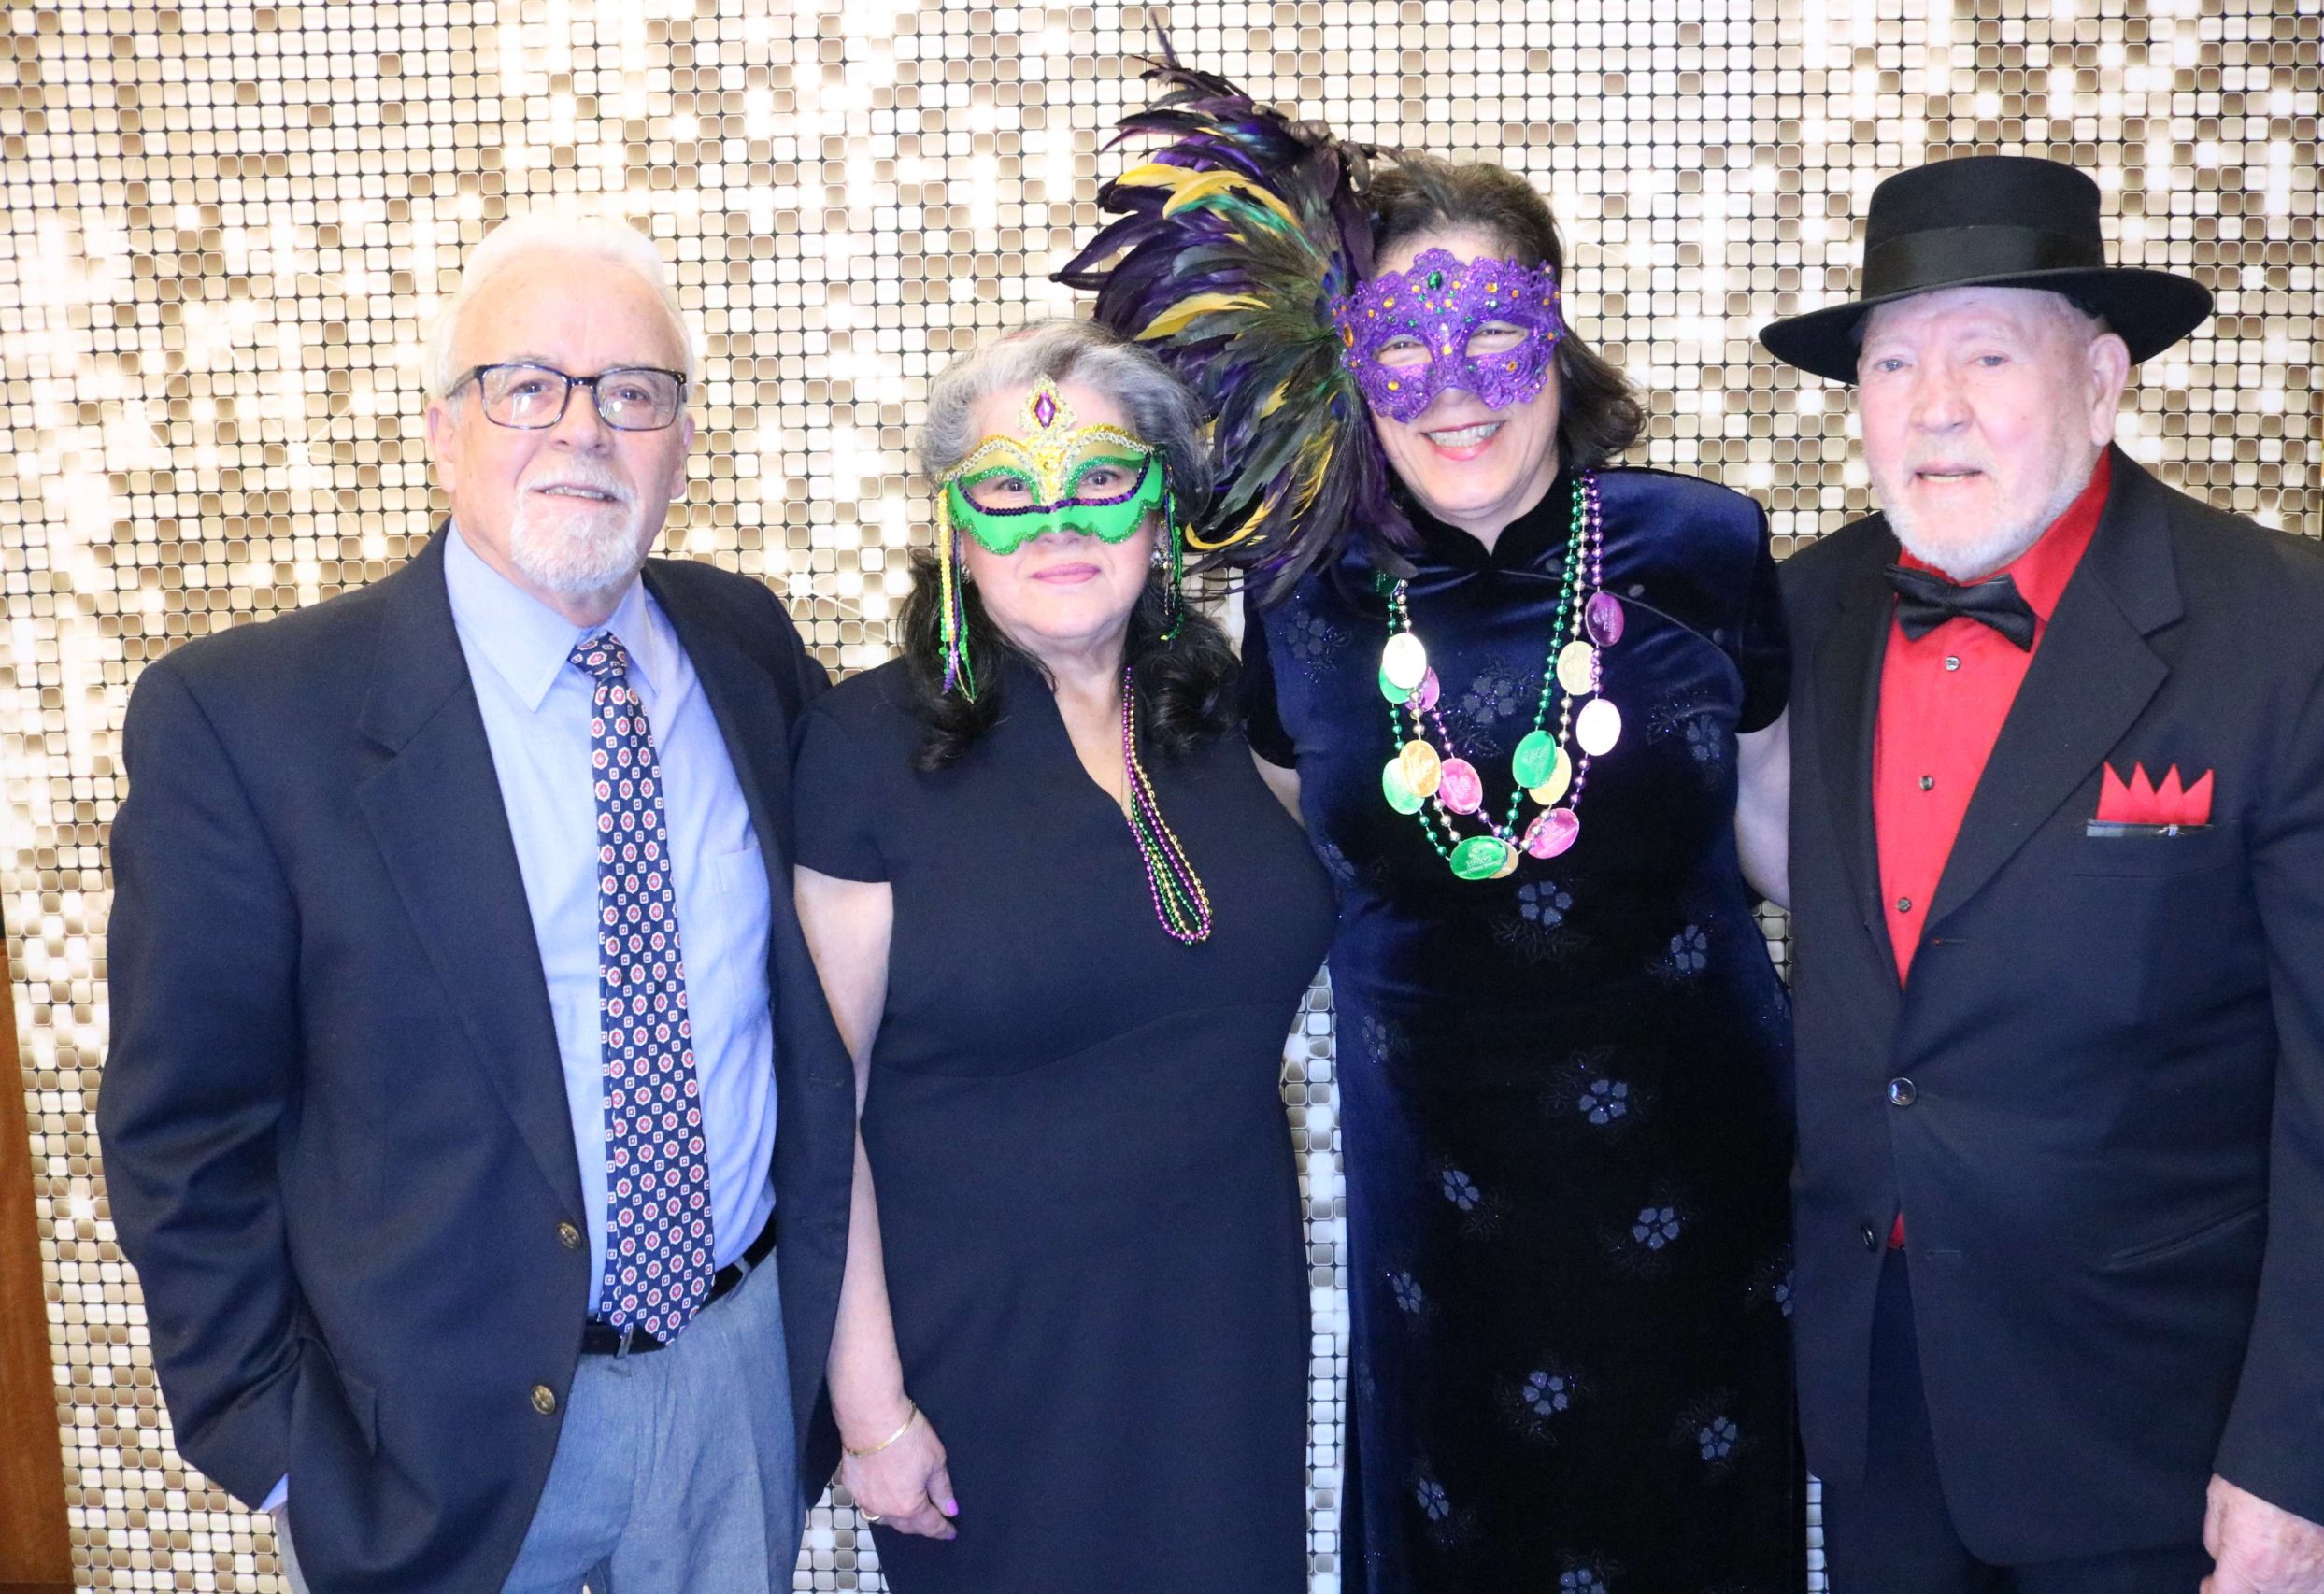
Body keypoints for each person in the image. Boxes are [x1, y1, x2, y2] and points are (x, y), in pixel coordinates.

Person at [1062, 64, 1804, 1592]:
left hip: (1701, 1177)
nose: (1455, 386)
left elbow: (1794, 842)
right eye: (1403, 343)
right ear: (1350, 361)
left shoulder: (1705, 544)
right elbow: (1274, 874)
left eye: (1492, 334)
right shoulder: (1299, 598)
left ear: (1556, 331)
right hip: (1441, 1214)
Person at [97, 210, 855, 1594]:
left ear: (682, 441)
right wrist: (273, 1445)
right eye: (527, 386)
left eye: (633, 392)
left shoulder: (745, 645)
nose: (584, 429)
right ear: (445, 432)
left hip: (737, 1380)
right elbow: (182, 1129)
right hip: (429, 1446)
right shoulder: (249, 721)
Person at [1760, 153, 2324, 1594]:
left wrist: (2310, 1463)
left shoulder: (2309, 643)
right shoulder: (1799, 614)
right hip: (1882, 1401)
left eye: (1987, 354)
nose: (1935, 405)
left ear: (2103, 380)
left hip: (2158, 1432)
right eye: (1894, 363)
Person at [788, 319, 1333, 1593]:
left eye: (1100, 478)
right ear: (954, 527)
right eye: (1009, 492)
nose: (1058, 523)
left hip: (1224, 1326)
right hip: (991, 1358)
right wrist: (868, 1408)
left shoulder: (1227, 722)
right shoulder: (864, 748)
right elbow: (821, 1107)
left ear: (1162, 508)